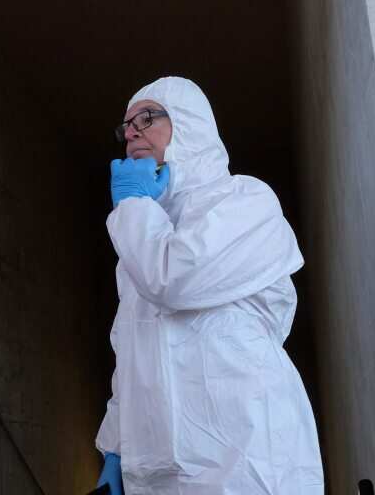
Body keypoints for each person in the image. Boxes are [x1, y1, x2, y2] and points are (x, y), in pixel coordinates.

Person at [95, 76, 323, 494]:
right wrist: (115, 448)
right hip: (160, 472)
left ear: (189, 124)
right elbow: (129, 348)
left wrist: (132, 205)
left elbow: (174, 280)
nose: (130, 132)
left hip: (246, 458)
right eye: (125, 126)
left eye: (147, 118)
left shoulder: (245, 202)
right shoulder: (142, 234)